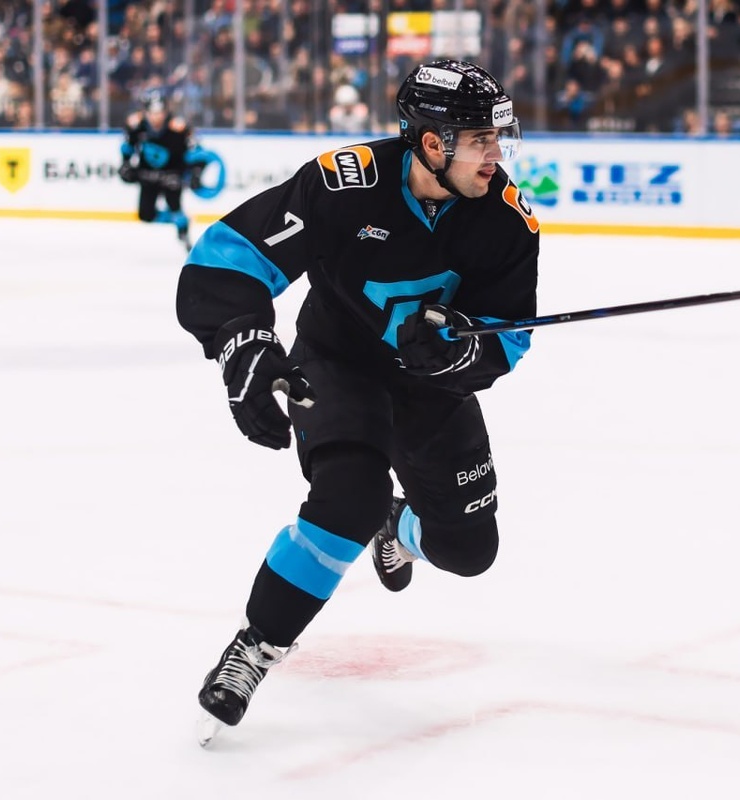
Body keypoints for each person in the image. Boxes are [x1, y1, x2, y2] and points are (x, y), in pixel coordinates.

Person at [177, 59, 540, 745]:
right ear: (431, 143)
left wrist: (458, 351)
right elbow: (227, 257)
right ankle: (257, 644)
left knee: (469, 551)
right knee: (349, 499)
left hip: (433, 388)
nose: (495, 155)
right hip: (339, 362)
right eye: (480, 140)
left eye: (498, 138)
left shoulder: (506, 220)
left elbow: (510, 336)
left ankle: (399, 528)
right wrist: (244, 344)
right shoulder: (343, 185)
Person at [118, 91, 200, 251]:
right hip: (147, 176)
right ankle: (179, 219)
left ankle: (182, 227)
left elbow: (195, 153)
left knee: (174, 205)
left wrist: (193, 174)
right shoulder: (136, 126)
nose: (156, 117)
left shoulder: (178, 127)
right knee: (145, 215)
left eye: (160, 113)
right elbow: (127, 148)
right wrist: (125, 165)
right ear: (145, 112)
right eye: (152, 113)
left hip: (172, 175)